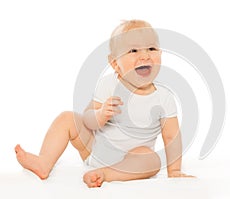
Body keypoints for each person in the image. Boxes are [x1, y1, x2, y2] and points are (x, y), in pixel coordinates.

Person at [15, 19, 193, 188]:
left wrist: (175, 170)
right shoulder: (109, 85)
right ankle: (44, 162)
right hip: (96, 151)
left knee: (152, 159)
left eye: (152, 48)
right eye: (133, 51)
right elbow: (87, 119)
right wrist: (100, 115)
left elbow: (171, 137)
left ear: (161, 54)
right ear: (115, 63)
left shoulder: (163, 97)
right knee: (67, 119)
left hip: (133, 160)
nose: (145, 56)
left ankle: (106, 174)